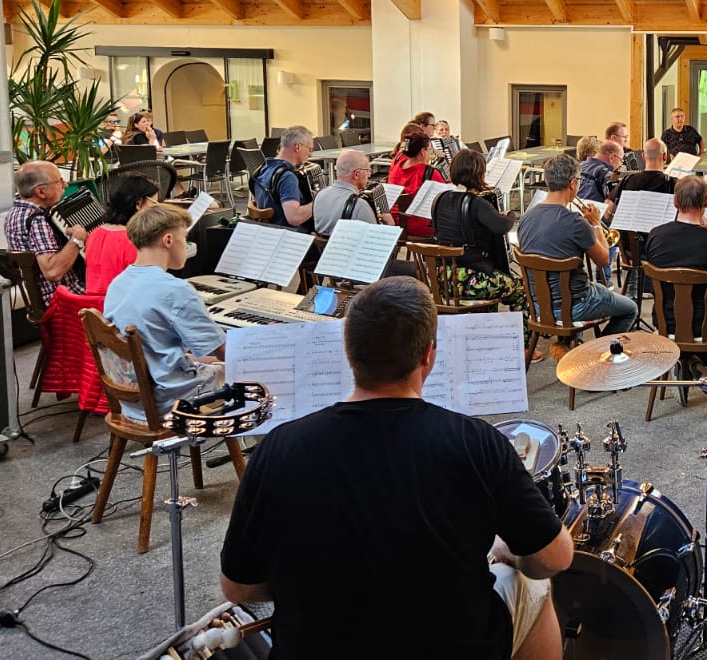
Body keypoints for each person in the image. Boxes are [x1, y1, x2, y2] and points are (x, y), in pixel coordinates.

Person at [220, 276, 574, 658]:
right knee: (534, 584)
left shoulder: (277, 448)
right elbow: (555, 557)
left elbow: (238, 588)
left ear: (349, 351)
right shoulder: (476, 442)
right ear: (428, 355)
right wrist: (510, 555)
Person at [103, 204, 225, 420]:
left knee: (206, 362)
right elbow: (223, 352)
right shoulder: (175, 290)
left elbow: (154, 349)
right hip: (169, 401)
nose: (186, 246)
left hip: (133, 402)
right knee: (251, 372)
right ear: (168, 240)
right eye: (184, 239)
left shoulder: (118, 283)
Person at [517, 154, 637, 334]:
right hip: (574, 305)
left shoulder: (526, 217)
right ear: (573, 183)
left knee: (597, 288)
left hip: (538, 304)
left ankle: (570, 343)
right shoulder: (576, 223)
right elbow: (604, 260)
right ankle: (599, 350)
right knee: (630, 309)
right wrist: (596, 223)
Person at [642, 176, 707, 350]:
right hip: (706, 325)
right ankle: (703, 356)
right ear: (706, 202)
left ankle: (687, 357)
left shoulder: (655, 235)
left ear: (675, 202)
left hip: (664, 323)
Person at [432, 149, 527, 314]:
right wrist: (510, 215)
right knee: (521, 288)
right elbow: (502, 226)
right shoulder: (476, 203)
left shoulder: (440, 199)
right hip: (470, 280)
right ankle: (520, 332)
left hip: (441, 278)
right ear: (479, 174)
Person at [5, 161, 87, 306]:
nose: (65, 185)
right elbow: (53, 272)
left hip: (44, 300)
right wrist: (77, 239)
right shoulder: (36, 220)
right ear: (41, 192)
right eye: (59, 181)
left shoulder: (14, 213)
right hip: (63, 300)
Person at [84, 172, 160, 295]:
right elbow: (146, 288)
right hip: (123, 304)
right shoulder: (135, 241)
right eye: (154, 204)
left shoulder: (95, 234)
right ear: (138, 203)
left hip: (94, 305)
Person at [313, 150, 399, 236]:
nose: (369, 175)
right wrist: (390, 225)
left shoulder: (319, 195)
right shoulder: (360, 205)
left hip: (325, 245)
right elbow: (375, 239)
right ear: (357, 174)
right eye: (368, 170)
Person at [251, 125, 317, 232]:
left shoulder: (262, 169)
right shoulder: (287, 177)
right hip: (289, 235)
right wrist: (318, 201)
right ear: (297, 147)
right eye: (310, 149)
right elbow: (294, 218)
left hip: (267, 231)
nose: (310, 154)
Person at [389, 131, 447, 240]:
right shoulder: (430, 173)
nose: (431, 153)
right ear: (423, 152)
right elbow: (445, 199)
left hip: (394, 221)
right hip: (418, 226)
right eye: (430, 150)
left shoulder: (397, 163)